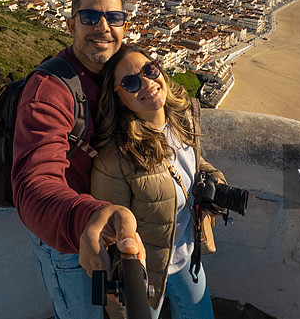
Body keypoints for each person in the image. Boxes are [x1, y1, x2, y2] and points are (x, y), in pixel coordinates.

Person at [11, 0, 145, 319]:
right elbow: (32, 186)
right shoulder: (49, 90)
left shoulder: (121, 72)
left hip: (112, 224)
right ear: (71, 24)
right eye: (90, 17)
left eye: (113, 18)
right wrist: (87, 217)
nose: (102, 26)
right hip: (67, 235)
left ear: (124, 27)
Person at [91, 44, 225, 319]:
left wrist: (216, 182)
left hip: (186, 254)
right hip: (144, 272)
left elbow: (193, 164)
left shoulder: (182, 118)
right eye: (131, 82)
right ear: (118, 99)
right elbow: (105, 235)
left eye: (150, 70)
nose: (148, 83)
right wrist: (105, 296)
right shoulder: (115, 158)